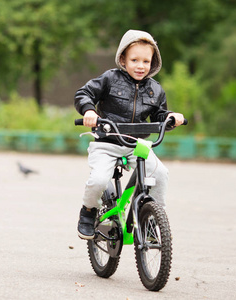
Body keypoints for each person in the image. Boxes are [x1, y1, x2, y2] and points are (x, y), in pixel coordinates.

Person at [74, 29, 185, 240]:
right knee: (98, 180)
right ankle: (88, 211)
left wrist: (171, 117)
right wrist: (89, 110)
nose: (141, 66)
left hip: (137, 144)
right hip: (106, 142)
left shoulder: (155, 89)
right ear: (123, 59)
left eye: (146, 61)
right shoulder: (110, 79)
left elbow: (159, 115)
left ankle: (151, 222)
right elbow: (84, 93)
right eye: (135, 60)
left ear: (153, 63)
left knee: (160, 174)